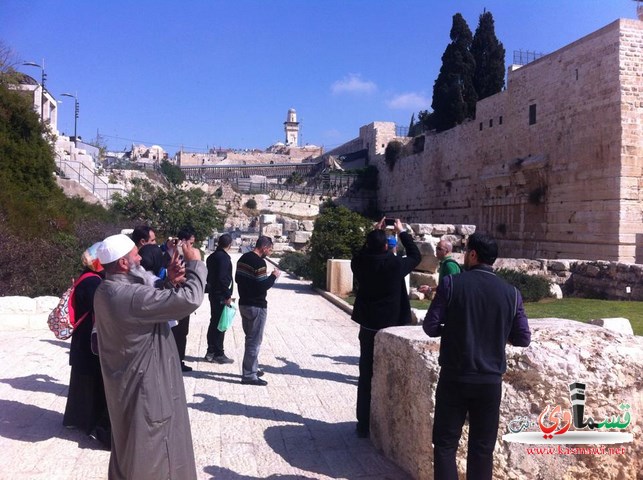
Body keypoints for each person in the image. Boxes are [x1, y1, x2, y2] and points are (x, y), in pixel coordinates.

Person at [93, 233, 206, 480]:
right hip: (147, 390)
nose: (140, 259)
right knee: (154, 455)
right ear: (124, 263)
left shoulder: (105, 290)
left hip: (128, 387)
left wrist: (168, 283)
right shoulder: (130, 297)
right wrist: (196, 264)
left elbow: (143, 306)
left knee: (130, 450)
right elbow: (190, 299)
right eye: (135, 254)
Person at [423, 233, 531, 480]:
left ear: (473, 255)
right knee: (482, 449)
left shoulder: (452, 284)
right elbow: (523, 338)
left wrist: (450, 329)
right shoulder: (512, 293)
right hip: (489, 381)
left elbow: (430, 326)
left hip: (455, 377)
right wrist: (497, 333)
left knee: (445, 445)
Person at [350, 217, 421, 438]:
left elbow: (361, 254)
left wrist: (374, 233)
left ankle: (363, 424)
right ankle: (390, 426)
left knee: (366, 375)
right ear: (385, 246)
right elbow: (416, 256)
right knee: (391, 375)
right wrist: (402, 233)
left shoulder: (360, 263)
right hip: (391, 328)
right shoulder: (394, 265)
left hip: (368, 326)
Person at [62, 242, 110, 449]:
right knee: (91, 383)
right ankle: (87, 423)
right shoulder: (92, 282)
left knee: (82, 383)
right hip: (87, 341)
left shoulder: (87, 277)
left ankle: (75, 420)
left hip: (83, 340)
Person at [235, 235, 281, 386]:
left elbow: (238, 279)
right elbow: (262, 286)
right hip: (257, 305)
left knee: (250, 338)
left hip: (244, 304)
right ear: (264, 247)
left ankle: (252, 367)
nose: (270, 252)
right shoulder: (259, 262)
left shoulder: (243, 258)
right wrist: (273, 277)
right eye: (270, 249)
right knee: (254, 341)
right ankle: (249, 375)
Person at [205, 233, 235, 364]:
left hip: (213, 293)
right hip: (221, 295)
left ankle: (210, 351)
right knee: (221, 323)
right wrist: (228, 295)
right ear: (229, 244)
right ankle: (218, 353)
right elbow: (223, 278)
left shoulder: (211, 257)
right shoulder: (224, 258)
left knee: (214, 321)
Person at [172, 227, 198, 372]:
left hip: (180, 296)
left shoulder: (177, 254)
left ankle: (178, 360)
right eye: (191, 243)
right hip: (178, 297)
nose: (192, 247)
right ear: (183, 242)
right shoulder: (178, 256)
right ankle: (177, 362)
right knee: (180, 331)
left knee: (181, 331)